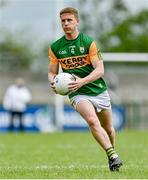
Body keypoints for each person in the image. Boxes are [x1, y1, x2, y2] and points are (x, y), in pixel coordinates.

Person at [48, 7, 123, 171]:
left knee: (109, 129)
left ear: (77, 21)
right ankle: (113, 155)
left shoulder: (89, 42)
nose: (66, 23)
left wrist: (82, 81)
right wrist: (53, 82)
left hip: (98, 90)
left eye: (69, 20)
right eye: (63, 21)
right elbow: (52, 72)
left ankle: (111, 155)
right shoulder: (55, 47)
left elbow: (100, 70)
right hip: (77, 92)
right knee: (92, 120)